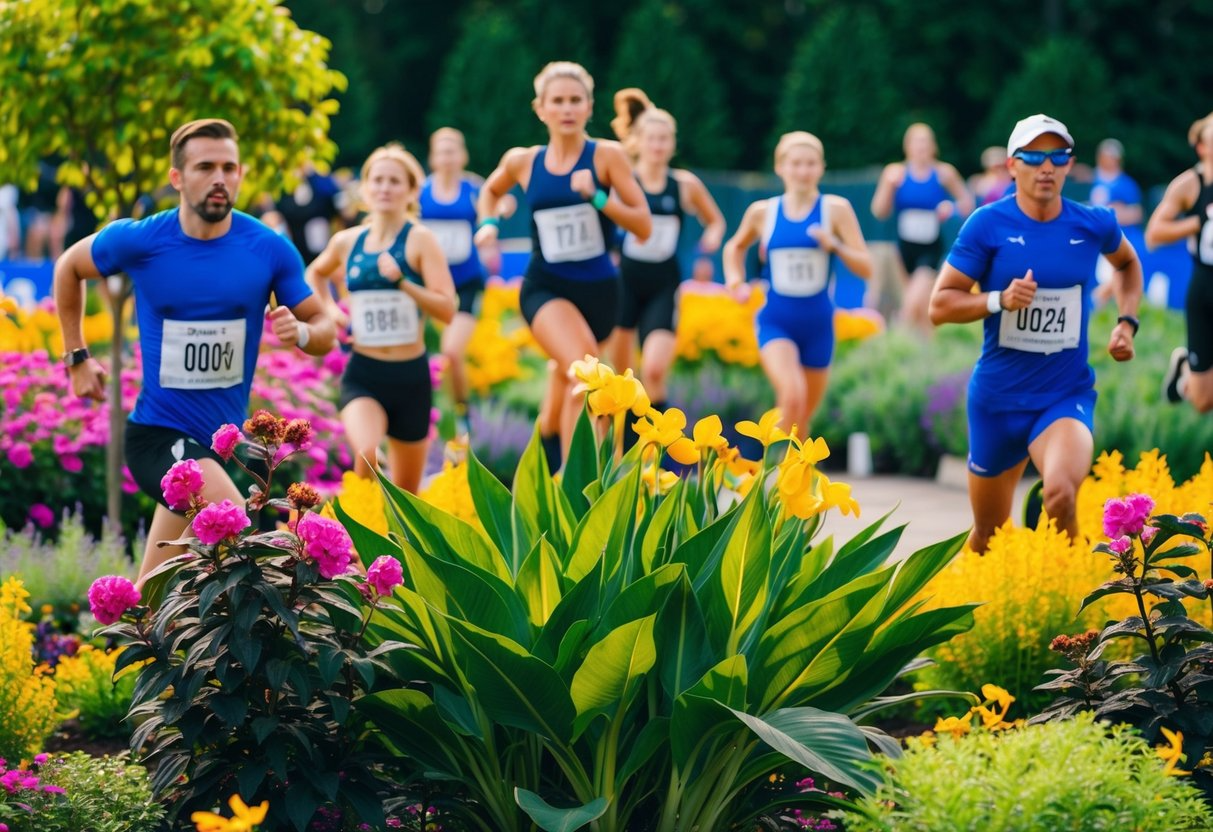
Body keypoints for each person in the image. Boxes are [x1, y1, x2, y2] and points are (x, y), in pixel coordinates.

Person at [52, 118, 337, 585]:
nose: (220, 178)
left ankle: (117, 653)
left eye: (230, 167)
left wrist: (301, 334)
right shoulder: (142, 239)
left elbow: (324, 326)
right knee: (240, 530)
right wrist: (77, 358)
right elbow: (69, 267)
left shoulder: (268, 249)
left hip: (220, 447)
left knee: (153, 592)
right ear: (177, 178)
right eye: (206, 166)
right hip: (158, 438)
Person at [929, 114, 1142, 553]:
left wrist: (1127, 321)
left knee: (1060, 494)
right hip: (997, 400)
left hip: (1063, 396)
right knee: (989, 536)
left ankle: (1079, 593)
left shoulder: (1094, 223)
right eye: (1034, 156)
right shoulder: (987, 224)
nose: (1046, 167)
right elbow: (939, 305)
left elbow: (1127, 264)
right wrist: (997, 300)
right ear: (1012, 165)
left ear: (1070, 165)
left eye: (1057, 156)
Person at [474, 61, 651, 463]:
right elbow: (490, 190)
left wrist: (599, 198)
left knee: (569, 376)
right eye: (558, 101)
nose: (567, 109)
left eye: (576, 100)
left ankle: (549, 443)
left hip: (601, 293)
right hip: (546, 286)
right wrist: (488, 223)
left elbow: (643, 226)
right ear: (541, 109)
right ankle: (577, 486)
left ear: (589, 107)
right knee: (586, 378)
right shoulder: (523, 161)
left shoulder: (608, 156)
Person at [307, 144, 456, 492]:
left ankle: (396, 545)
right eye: (378, 180)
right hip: (364, 373)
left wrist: (403, 282)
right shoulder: (347, 241)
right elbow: (315, 274)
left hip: (411, 377)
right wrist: (330, 310)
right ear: (365, 189)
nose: (385, 188)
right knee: (367, 455)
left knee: (407, 497)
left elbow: (447, 309)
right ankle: (360, 542)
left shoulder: (420, 240)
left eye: (394, 181)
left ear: (411, 191)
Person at [722, 131, 872, 436]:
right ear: (780, 167)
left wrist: (835, 246)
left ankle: (791, 478)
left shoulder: (836, 210)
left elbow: (865, 267)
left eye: (811, 164)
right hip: (776, 319)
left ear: (821, 167)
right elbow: (734, 247)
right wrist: (735, 281)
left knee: (801, 417)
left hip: (818, 323)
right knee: (791, 396)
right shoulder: (763, 212)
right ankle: (768, 473)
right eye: (796, 163)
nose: (803, 171)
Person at [607, 88, 726, 416]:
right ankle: (622, 457)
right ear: (638, 141)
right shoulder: (624, 180)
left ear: (672, 144)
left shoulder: (684, 184)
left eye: (665, 139)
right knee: (622, 382)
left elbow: (715, 221)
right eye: (652, 138)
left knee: (655, 372)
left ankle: (655, 452)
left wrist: (712, 239)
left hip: (663, 283)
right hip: (624, 283)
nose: (658, 146)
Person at [420, 127, 514, 436]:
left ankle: (462, 414)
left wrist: (500, 211)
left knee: (452, 352)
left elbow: (498, 203)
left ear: (462, 155)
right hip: (427, 285)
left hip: (467, 283)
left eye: (453, 150)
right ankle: (425, 411)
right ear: (433, 157)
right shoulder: (420, 191)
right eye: (441, 150)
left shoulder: (474, 189)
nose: (447, 157)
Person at [872, 123, 974, 331]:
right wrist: (889, 188)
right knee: (922, 309)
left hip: (930, 248)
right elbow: (879, 211)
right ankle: (926, 356)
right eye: (916, 142)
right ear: (907, 146)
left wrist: (950, 208)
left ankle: (898, 345)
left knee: (911, 304)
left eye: (925, 142)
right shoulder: (895, 173)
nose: (921, 147)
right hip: (903, 249)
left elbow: (967, 204)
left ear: (933, 146)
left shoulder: (944, 173)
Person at [1149, 112, 1213, 413]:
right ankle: (1185, 365)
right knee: (1202, 402)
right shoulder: (1190, 184)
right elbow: (1154, 234)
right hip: (1204, 288)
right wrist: (1197, 223)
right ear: (1201, 146)